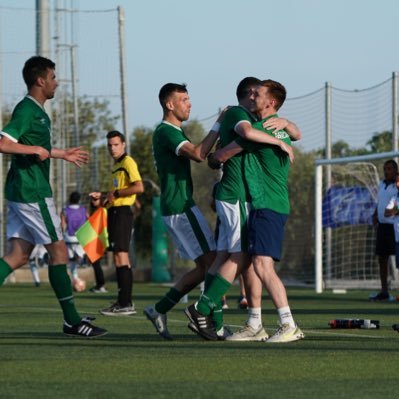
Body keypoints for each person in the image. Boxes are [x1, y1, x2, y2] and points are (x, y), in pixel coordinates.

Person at [186, 79, 304, 343]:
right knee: (252, 262)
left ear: (270, 102)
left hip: (267, 206)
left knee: (260, 264)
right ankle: (254, 324)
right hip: (262, 205)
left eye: (258, 93)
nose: (253, 96)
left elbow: (221, 155)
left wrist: (217, 153)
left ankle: (288, 324)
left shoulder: (263, 130)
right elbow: (296, 133)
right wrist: (288, 128)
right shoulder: (274, 128)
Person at [0, 56, 106, 338]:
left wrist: (62, 154)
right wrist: (34, 150)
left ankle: (72, 319)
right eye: (53, 77)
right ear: (40, 80)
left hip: (21, 190)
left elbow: (36, 149)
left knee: (17, 256)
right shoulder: (26, 110)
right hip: (32, 192)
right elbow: (4, 143)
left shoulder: (40, 113)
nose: (56, 82)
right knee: (58, 252)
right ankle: (72, 321)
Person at [144, 83, 220, 340]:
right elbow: (199, 154)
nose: (189, 104)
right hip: (180, 206)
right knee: (214, 264)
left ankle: (159, 309)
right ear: (170, 104)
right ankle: (212, 321)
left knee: (203, 267)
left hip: (176, 206)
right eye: (184, 99)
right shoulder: (167, 132)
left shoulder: (173, 131)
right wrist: (219, 124)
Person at [90, 130, 144, 316]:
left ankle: (125, 303)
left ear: (123, 145)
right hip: (115, 212)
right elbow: (116, 193)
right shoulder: (117, 165)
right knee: (118, 257)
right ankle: (122, 301)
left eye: (115, 144)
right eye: (109, 145)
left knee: (121, 256)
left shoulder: (128, 162)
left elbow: (139, 187)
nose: (112, 148)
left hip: (123, 213)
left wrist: (117, 194)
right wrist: (103, 197)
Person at [369, 159, 398, 301]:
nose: (387, 171)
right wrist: (375, 214)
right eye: (385, 169)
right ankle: (384, 291)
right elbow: (380, 203)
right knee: (382, 258)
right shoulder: (382, 184)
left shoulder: (397, 186)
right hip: (383, 226)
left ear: (396, 171)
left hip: (395, 227)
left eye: (390, 169)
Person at [61, 191, 88, 283]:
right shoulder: (83, 209)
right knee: (80, 252)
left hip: (69, 237)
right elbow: (88, 221)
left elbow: (63, 225)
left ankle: (75, 278)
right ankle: (80, 257)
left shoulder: (65, 210)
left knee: (71, 259)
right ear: (79, 200)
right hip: (81, 237)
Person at [88, 194, 108, 293]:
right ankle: (100, 284)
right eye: (92, 199)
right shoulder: (95, 211)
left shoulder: (102, 211)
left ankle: (101, 285)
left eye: (95, 199)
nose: (93, 201)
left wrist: (104, 242)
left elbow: (103, 227)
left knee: (96, 263)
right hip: (95, 240)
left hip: (100, 240)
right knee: (95, 263)